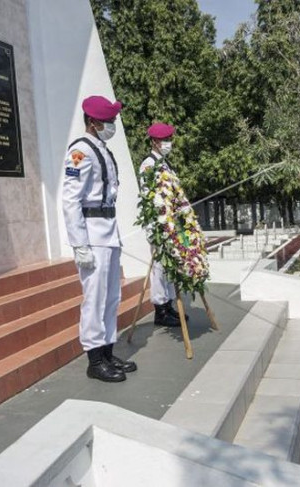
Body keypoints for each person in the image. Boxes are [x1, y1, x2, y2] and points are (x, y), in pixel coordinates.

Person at [62, 95, 137, 383]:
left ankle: (107, 351)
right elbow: (70, 200)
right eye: (108, 121)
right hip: (92, 236)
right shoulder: (80, 152)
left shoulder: (101, 149)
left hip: (108, 232)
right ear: (93, 122)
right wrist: (79, 243)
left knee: (110, 297)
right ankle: (94, 360)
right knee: (94, 298)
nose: (112, 125)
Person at [139, 122, 182, 327]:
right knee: (159, 266)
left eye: (169, 139)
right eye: (165, 140)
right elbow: (149, 198)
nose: (168, 143)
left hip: (170, 223)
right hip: (158, 224)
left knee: (170, 264)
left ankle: (169, 304)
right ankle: (160, 310)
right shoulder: (149, 164)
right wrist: (155, 226)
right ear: (155, 142)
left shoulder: (165, 163)